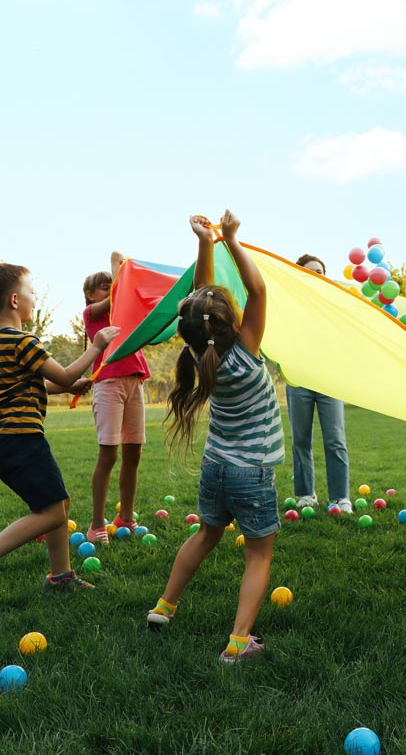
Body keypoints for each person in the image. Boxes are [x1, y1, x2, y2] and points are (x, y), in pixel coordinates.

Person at [146, 211, 285, 663]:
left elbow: (197, 301)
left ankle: (164, 607)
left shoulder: (197, 355)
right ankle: (239, 643)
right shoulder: (246, 353)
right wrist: (231, 239)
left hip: (215, 469)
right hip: (252, 473)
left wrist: (207, 243)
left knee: (206, 534)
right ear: (229, 324)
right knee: (258, 556)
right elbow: (258, 289)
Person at [0, 263, 119, 590]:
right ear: (14, 300)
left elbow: (35, 385)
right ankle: (58, 575)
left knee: (58, 503)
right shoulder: (23, 341)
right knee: (53, 513)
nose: (34, 298)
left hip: (7, 441)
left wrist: (68, 387)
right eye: (31, 292)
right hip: (22, 438)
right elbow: (63, 374)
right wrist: (97, 346)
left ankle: (61, 576)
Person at [82, 252, 151, 545]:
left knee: (133, 453)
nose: (111, 287)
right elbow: (116, 296)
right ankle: (97, 524)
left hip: (134, 381)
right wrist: (118, 268)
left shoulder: (124, 312)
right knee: (109, 454)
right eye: (104, 285)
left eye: (112, 283)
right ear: (89, 294)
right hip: (108, 384)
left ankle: (126, 517)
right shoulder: (92, 314)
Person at [285, 254, 352, 514]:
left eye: (321, 272)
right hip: (299, 378)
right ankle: (305, 494)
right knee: (301, 439)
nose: (317, 275)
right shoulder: (289, 306)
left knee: (335, 439)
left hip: (328, 380)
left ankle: (340, 497)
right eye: (312, 271)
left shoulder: (332, 304)